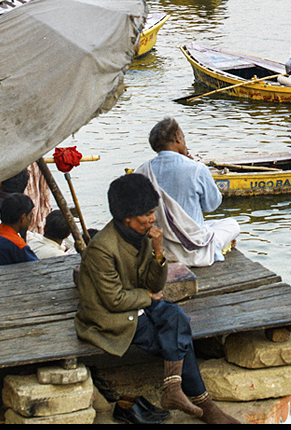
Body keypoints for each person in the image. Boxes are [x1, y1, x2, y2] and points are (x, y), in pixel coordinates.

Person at [74, 174, 239, 423]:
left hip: (138, 304)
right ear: (127, 217)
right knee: (176, 337)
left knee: (176, 318)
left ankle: (175, 390)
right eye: (147, 214)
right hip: (110, 317)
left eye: (153, 212)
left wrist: (159, 251)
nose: (153, 219)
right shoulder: (101, 249)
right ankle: (204, 406)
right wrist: (148, 296)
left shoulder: (140, 235)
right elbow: (114, 300)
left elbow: (155, 284)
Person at [135, 118, 240, 266]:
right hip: (191, 248)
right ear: (178, 138)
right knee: (232, 224)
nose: (185, 142)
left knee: (209, 225)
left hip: (159, 243)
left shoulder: (141, 171)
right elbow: (212, 205)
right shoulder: (196, 169)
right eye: (183, 138)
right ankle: (214, 248)